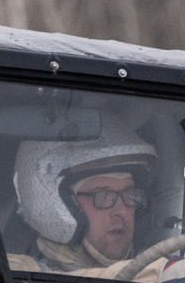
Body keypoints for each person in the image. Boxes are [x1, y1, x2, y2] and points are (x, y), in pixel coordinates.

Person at [10, 115, 159, 274]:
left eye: (130, 194)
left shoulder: (152, 277)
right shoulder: (13, 274)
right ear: (54, 208)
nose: (122, 211)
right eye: (103, 194)